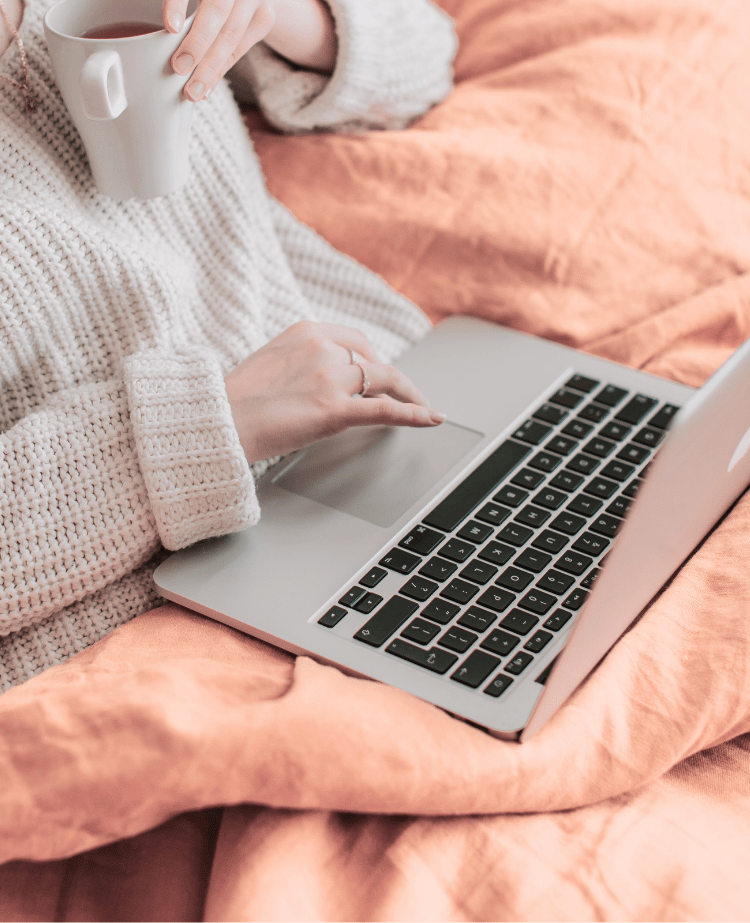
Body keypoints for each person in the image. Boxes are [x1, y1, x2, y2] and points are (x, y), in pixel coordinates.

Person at [0, 0, 458, 689]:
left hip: (373, 406)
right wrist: (217, 420)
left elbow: (424, 56)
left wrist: (279, 15)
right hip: (138, 618)